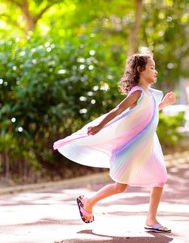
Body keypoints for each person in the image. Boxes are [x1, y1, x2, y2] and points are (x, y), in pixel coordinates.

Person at [53, 53, 176, 233]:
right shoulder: (137, 93)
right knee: (120, 186)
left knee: (160, 178)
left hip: (146, 148)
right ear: (140, 70)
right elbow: (118, 110)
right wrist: (99, 126)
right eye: (151, 67)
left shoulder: (149, 95)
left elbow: (148, 113)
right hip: (130, 149)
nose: (155, 71)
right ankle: (88, 202)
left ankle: (151, 219)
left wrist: (163, 105)